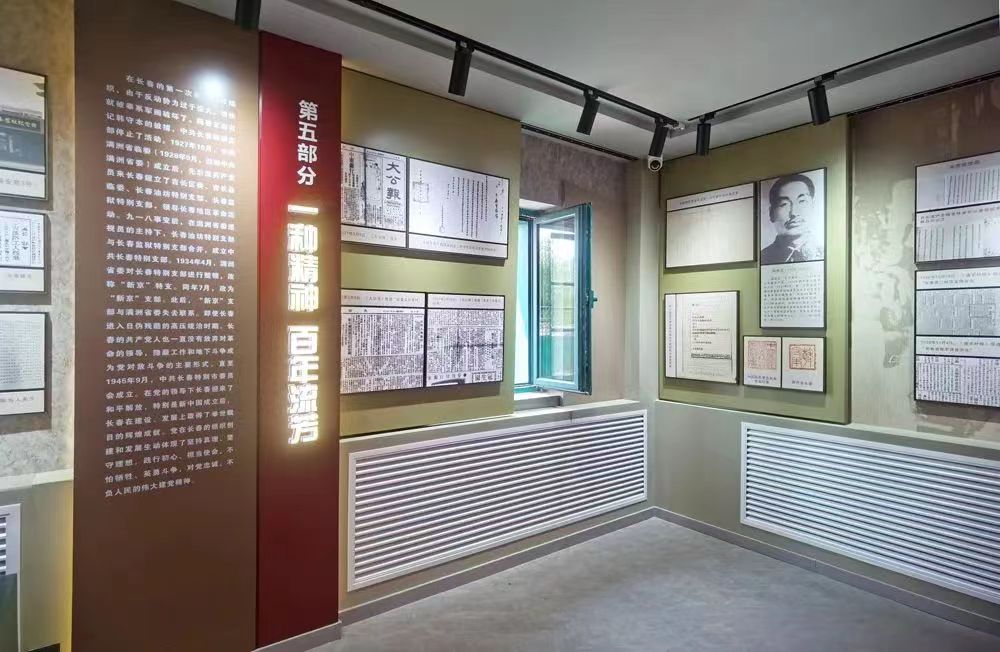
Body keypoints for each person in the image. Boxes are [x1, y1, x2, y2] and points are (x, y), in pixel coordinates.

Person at [760, 173, 823, 264]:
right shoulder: (763, 257)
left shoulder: (828, 252)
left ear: (814, 206)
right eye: (784, 204)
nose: (794, 213)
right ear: (771, 213)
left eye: (802, 201)